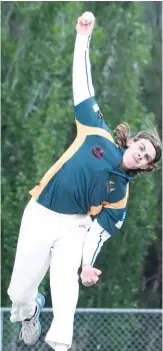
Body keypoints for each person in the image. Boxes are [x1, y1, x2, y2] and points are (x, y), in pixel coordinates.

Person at [7, 11, 162, 351]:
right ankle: (31, 310)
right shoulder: (96, 132)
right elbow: (82, 85)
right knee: (18, 293)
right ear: (132, 141)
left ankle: (60, 343)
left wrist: (87, 266)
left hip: (74, 226)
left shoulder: (119, 195)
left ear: (147, 167)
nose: (142, 155)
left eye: (147, 157)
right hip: (41, 211)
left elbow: (96, 234)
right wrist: (81, 36)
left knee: (66, 281)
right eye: (141, 147)